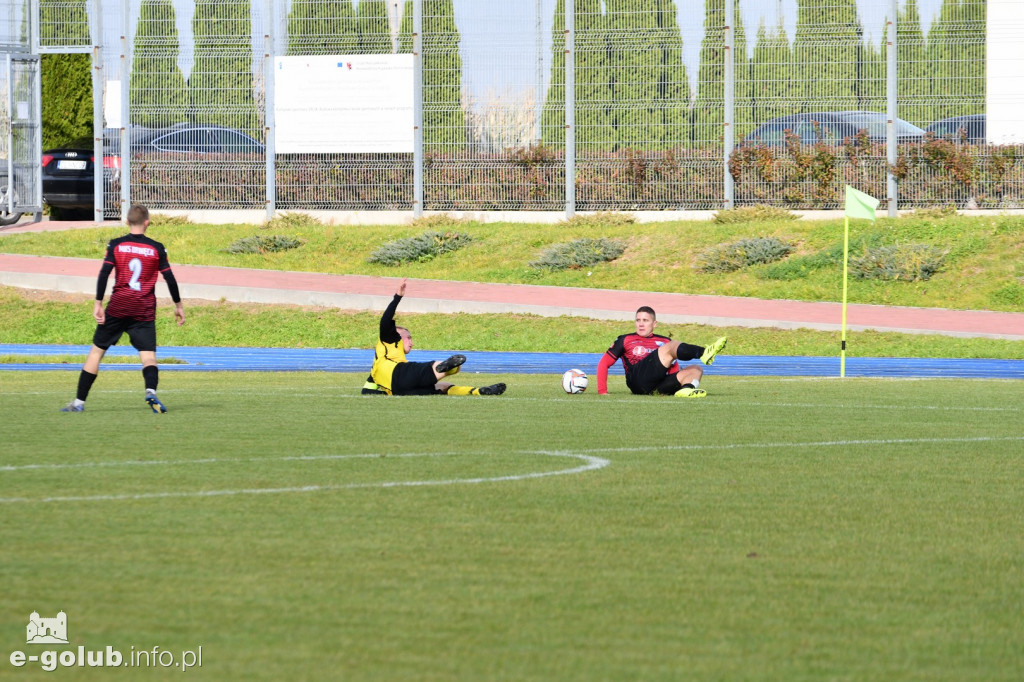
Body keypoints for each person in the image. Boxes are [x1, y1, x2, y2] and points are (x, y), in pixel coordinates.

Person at [61, 204, 185, 413]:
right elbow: (170, 278)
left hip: (119, 306)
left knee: (96, 353)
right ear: (147, 222)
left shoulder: (116, 245)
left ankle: (78, 403)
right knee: (148, 357)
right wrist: (178, 305)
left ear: (127, 222)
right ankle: (151, 391)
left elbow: (103, 273)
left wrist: (98, 302)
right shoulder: (156, 248)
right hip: (143, 308)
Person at [366, 278, 506, 396]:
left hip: (401, 390)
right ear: (396, 334)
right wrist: (398, 297)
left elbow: (366, 391)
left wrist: (384, 394)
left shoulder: (376, 368)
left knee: (442, 387)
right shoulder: (389, 339)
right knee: (433, 368)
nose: (412, 342)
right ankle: (444, 368)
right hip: (400, 373)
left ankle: (477, 391)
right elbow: (385, 320)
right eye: (408, 337)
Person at [596, 306, 727, 398]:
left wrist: (674, 381)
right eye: (638, 320)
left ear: (654, 323)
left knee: (696, 369)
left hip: (657, 386)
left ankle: (686, 389)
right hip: (637, 381)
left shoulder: (664, 340)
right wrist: (602, 391)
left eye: (645, 320)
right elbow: (604, 364)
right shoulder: (625, 339)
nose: (641, 324)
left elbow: (673, 368)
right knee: (672, 345)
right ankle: (704, 352)